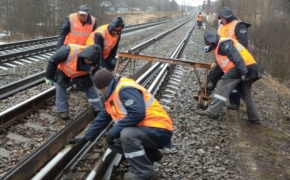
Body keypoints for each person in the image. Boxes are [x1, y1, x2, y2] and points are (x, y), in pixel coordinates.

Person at [68, 69, 173, 180]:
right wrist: (85, 138)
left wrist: (113, 132)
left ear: (104, 87)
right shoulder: (112, 96)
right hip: (146, 129)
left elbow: (138, 114)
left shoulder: (124, 89)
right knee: (113, 141)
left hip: (159, 128)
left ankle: (145, 174)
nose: (101, 93)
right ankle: (152, 155)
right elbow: (101, 119)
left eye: (100, 90)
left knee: (126, 135)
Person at [198, 31, 261, 125]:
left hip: (243, 66)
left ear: (211, 41)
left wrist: (243, 71)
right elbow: (218, 69)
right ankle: (253, 118)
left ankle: (212, 112)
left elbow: (236, 56)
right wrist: (210, 82)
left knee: (224, 84)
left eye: (208, 43)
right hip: (251, 67)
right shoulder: (219, 47)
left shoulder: (223, 43)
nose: (209, 45)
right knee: (245, 92)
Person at [45, 44, 103, 120]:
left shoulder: (95, 63)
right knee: (60, 87)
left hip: (80, 74)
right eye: (88, 60)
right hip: (64, 70)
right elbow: (53, 60)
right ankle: (62, 110)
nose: (90, 62)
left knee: (90, 87)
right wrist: (49, 77)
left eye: (91, 61)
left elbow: (97, 74)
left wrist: (103, 85)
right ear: (84, 56)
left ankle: (98, 108)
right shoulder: (68, 50)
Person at [217, 6, 251, 110]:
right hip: (225, 58)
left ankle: (235, 102)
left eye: (223, 18)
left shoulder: (239, 25)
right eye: (220, 18)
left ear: (228, 17)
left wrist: (234, 56)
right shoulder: (221, 27)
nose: (221, 20)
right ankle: (208, 93)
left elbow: (243, 44)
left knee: (234, 84)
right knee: (215, 77)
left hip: (236, 59)